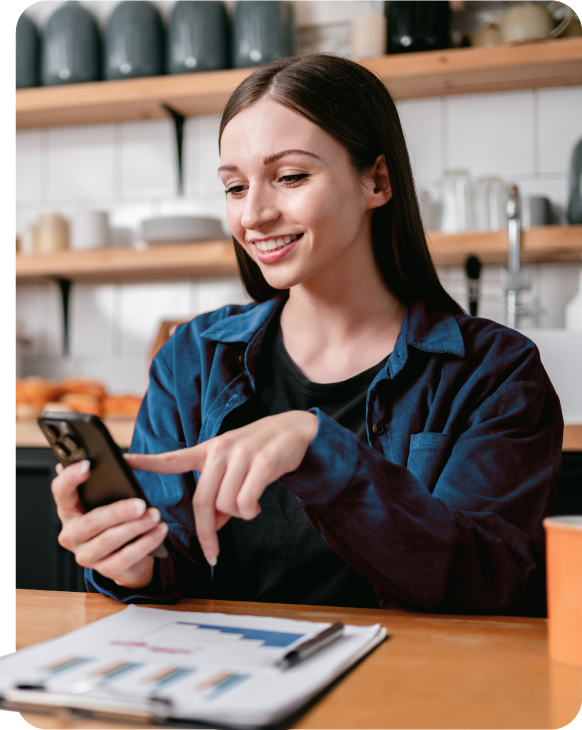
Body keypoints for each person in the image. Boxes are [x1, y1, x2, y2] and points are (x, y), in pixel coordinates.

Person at [51, 54, 562, 615]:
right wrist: (132, 564)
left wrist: (323, 452)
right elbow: (176, 564)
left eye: (290, 177)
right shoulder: (192, 359)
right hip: (229, 687)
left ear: (378, 181)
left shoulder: (494, 372)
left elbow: (487, 583)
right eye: (235, 187)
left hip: (408, 691)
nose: (254, 215)